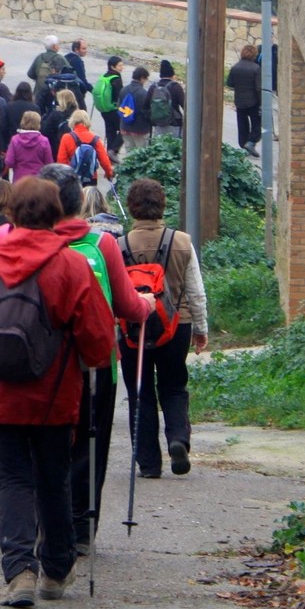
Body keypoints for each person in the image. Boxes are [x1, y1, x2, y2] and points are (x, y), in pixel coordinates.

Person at [0, 177, 116, 607]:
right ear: (57, 214)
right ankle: (55, 569)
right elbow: (98, 342)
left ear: (11, 213)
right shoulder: (71, 266)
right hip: (54, 395)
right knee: (53, 478)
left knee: (12, 479)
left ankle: (19, 572)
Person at [36, 164, 151, 557]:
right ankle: (81, 529)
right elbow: (127, 304)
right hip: (95, 365)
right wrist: (147, 305)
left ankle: (44, 524)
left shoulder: (23, 244)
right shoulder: (101, 245)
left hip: (40, 364)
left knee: (43, 445)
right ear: (78, 203)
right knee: (90, 444)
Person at [119, 179, 208, 479]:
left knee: (139, 392)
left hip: (134, 327)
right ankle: (177, 439)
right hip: (176, 324)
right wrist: (201, 328)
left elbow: (113, 294)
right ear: (162, 205)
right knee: (174, 386)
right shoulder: (182, 241)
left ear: (132, 207)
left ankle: (148, 463)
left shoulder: (119, 246)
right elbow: (195, 291)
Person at [57, 109, 114, 186]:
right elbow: (104, 160)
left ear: (73, 121)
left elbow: (61, 160)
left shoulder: (66, 137)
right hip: (91, 177)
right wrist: (109, 173)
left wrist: (66, 176)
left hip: (72, 178)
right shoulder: (95, 139)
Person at [227, 44, 263, 156]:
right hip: (253, 101)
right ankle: (251, 142)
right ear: (254, 55)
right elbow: (258, 87)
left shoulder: (235, 67)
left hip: (239, 101)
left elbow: (229, 83)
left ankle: (243, 146)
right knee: (257, 123)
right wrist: (261, 102)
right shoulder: (256, 68)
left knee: (242, 125)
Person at [3, 110, 53, 183]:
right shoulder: (44, 141)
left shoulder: (15, 140)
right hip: (38, 181)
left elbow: (9, 162)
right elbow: (49, 163)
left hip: (19, 181)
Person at [118, 67, 154, 154]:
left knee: (129, 154)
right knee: (142, 154)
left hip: (125, 127)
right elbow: (147, 112)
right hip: (140, 129)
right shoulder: (143, 93)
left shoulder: (123, 90)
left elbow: (119, 106)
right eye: (146, 79)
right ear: (142, 78)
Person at [149, 61, 187, 140]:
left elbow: (145, 106)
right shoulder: (176, 87)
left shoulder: (153, 87)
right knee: (173, 145)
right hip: (174, 123)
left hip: (158, 124)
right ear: (172, 75)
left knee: (159, 145)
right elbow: (185, 106)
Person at [96, 55, 125, 156]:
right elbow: (118, 95)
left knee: (110, 132)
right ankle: (113, 150)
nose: (122, 68)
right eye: (119, 66)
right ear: (113, 67)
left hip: (104, 110)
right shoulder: (116, 78)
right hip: (113, 109)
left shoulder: (104, 76)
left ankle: (109, 156)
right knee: (124, 129)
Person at [42, 88, 79, 157]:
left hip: (57, 148)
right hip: (75, 148)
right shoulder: (78, 114)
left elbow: (46, 131)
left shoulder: (55, 114)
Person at [4, 81, 40, 148]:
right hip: (31, 141)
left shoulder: (8, 107)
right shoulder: (34, 108)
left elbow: (3, 126)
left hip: (12, 141)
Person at [63, 39, 93, 109]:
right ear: (76, 49)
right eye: (83, 48)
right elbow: (82, 79)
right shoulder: (77, 61)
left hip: (64, 91)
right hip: (75, 93)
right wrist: (92, 90)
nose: (86, 51)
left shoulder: (66, 57)